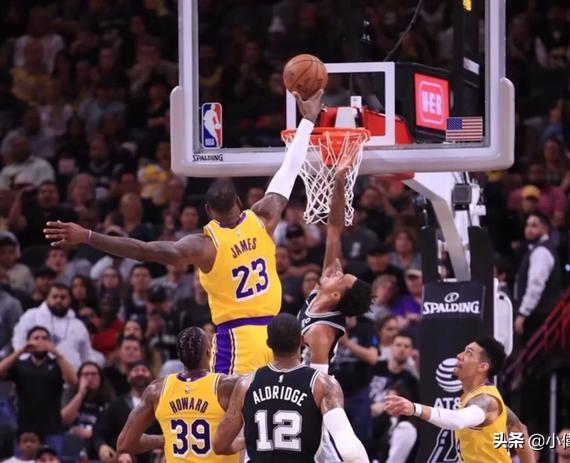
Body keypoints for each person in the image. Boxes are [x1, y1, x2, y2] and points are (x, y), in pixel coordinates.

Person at [44, 90, 324, 375]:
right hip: (275, 338)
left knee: (227, 403)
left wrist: (88, 236)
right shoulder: (264, 217)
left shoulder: (204, 246)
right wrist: (309, 119)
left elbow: (142, 250)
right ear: (240, 202)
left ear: (207, 210)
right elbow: (289, 169)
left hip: (238, 342)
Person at [212, 313, 368, 463]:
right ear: (302, 340)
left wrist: (248, 439)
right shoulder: (323, 384)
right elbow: (349, 450)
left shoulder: (245, 384)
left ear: (268, 343)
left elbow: (219, 445)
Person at [384, 336, 535, 463]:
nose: (459, 355)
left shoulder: (486, 400)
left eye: (468, 353)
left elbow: (458, 420)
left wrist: (415, 408)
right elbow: (520, 430)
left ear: (482, 367)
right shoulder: (481, 398)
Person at [116, 327, 241, 463]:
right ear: (209, 351)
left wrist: (162, 440)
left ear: (179, 355)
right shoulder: (227, 386)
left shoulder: (156, 389)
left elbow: (124, 443)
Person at [297, 158, 373, 373]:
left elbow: (318, 382)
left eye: (341, 278)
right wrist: (339, 180)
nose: (337, 272)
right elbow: (334, 229)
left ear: (335, 295)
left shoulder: (322, 332)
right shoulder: (322, 292)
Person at [0, 326, 77, 455]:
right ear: (28, 341)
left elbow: (73, 380)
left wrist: (57, 353)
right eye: (36, 338)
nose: (40, 341)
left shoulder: (57, 364)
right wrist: (21, 351)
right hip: (25, 428)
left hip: (52, 427)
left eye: (44, 338)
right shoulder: (20, 365)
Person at [513, 212, 562, 340]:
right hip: (537, 315)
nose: (528, 229)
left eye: (534, 226)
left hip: (537, 316)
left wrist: (523, 313)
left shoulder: (541, 252)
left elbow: (535, 286)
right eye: (527, 225)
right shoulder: (536, 249)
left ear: (545, 229)